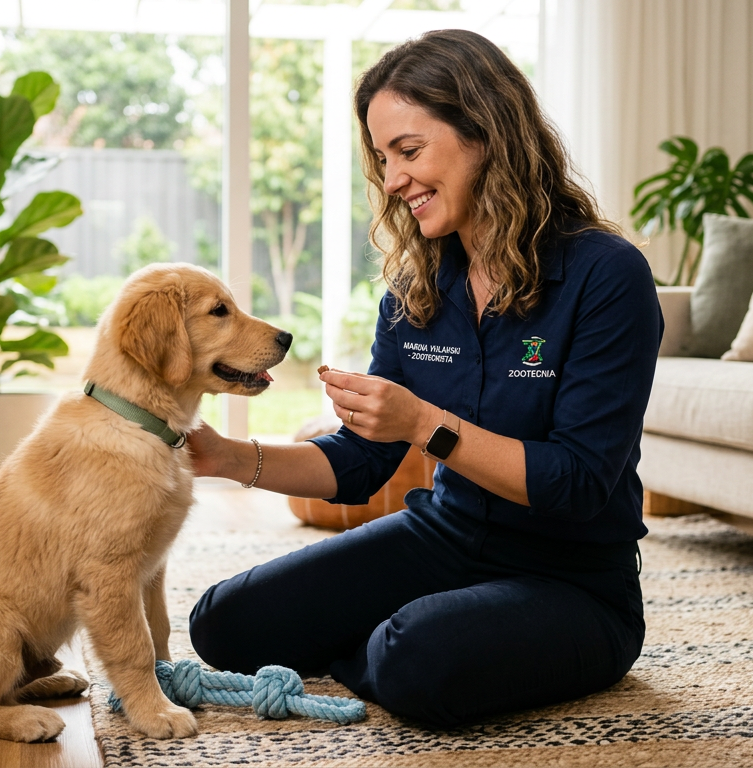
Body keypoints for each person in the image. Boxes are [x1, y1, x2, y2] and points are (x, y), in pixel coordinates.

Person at [184, 28, 662, 728]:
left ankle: (398, 641)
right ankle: (398, 638)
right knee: (222, 624)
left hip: (574, 581)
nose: (393, 179)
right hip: (443, 539)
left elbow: (581, 482)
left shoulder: (605, 275)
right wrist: (227, 459)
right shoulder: (414, 292)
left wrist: (422, 425)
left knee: (416, 656)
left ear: (487, 133)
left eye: (409, 151)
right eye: (382, 159)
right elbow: (358, 465)